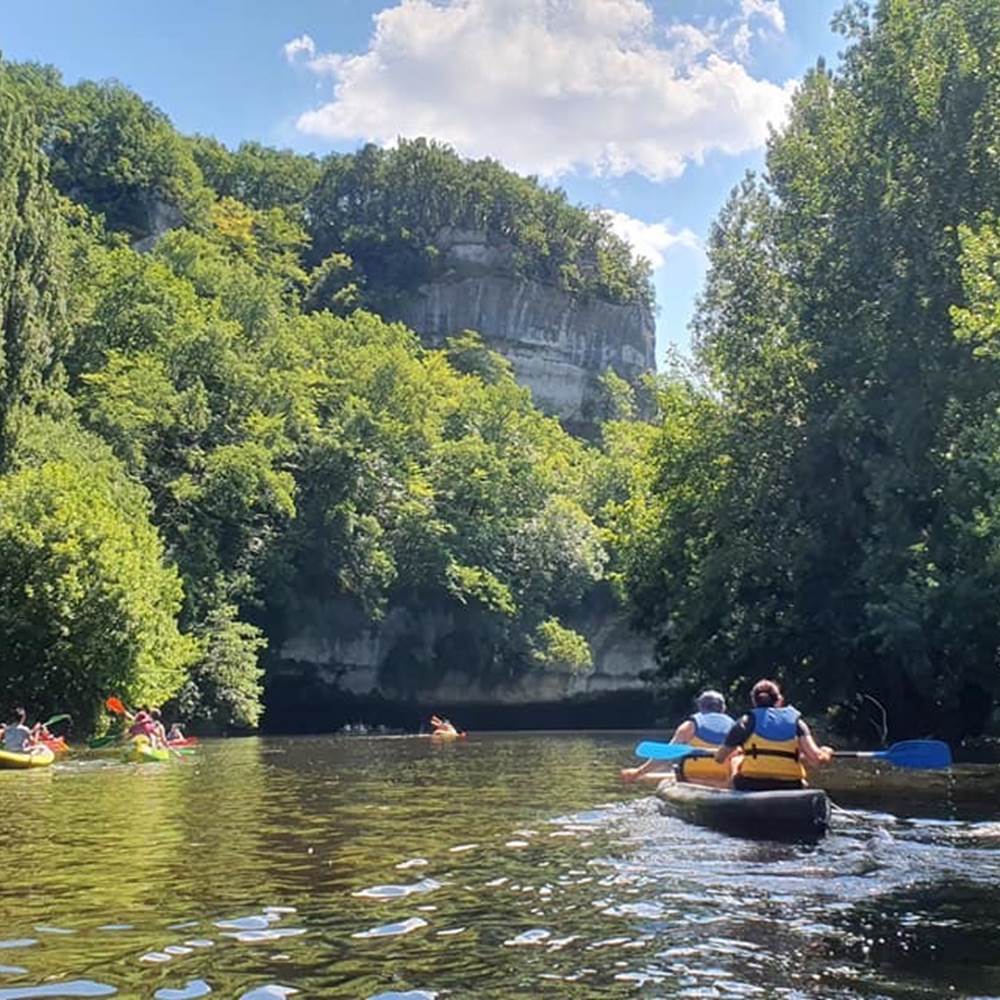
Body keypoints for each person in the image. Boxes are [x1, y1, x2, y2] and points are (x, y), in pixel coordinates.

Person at [715, 678, 833, 791]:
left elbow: (719, 758)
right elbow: (817, 759)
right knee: (803, 781)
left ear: (754, 701)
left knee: (736, 760)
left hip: (751, 784)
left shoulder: (745, 722)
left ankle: (732, 802)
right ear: (779, 700)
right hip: (790, 786)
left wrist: (739, 753)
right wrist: (826, 752)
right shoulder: (797, 724)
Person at [621, 690, 735, 786]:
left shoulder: (689, 726)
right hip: (724, 776)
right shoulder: (736, 727)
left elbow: (666, 755)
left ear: (700, 707)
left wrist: (638, 772)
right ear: (723, 708)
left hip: (692, 775)